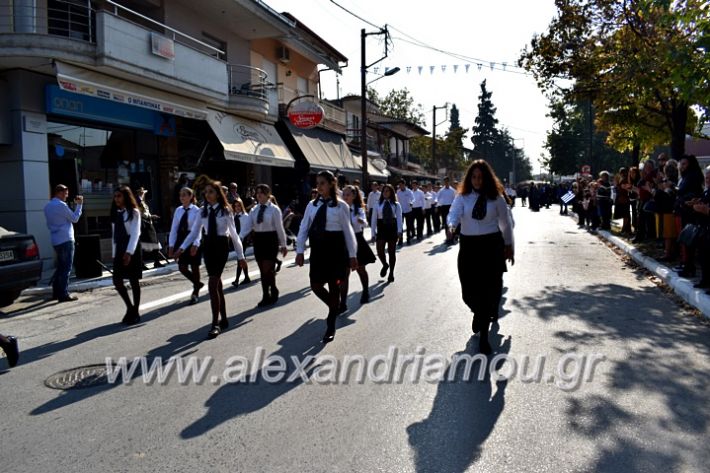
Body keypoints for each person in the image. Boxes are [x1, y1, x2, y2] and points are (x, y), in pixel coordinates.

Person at [447, 160, 514, 355]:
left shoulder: (496, 199)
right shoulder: (462, 197)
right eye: (474, 177)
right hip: (469, 247)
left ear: (486, 178)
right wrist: (451, 226)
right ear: (470, 178)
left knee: (488, 291)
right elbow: (453, 214)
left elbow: (505, 224)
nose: (477, 180)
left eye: (480, 177)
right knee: (468, 292)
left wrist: (508, 245)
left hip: (491, 246)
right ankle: (477, 311)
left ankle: (484, 337)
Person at [176, 180, 247, 339]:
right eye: (206, 192)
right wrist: (181, 248)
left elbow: (234, 235)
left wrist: (241, 257)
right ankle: (224, 318)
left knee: (213, 283)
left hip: (221, 247)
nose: (208, 195)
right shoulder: (202, 211)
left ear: (218, 194)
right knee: (218, 286)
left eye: (211, 192)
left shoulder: (226, 210)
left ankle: (215, 323)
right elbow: (194, 232)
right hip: (208, 247)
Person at [296, 170, 358, 344]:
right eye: (317, 183)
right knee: (315, 285)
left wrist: (352, 255)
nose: (319, 186)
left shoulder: (341, 206)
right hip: (318, 250)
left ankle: (331, 323)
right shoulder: (312, 205)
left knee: (334, 286)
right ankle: (335, 305)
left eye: (322, 183)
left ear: (331, 183)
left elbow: (348, 232)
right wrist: (300, 251)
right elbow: (303, 228)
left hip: (336, 250)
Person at [249, 184, 288, 307]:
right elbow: (247, 225)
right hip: (258, 240)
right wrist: (239, 237)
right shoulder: (253, 210)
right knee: (263, 270)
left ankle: (270, 293)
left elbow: (280, 228)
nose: (259, 195)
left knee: (266, 268)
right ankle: (268, 292)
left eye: (261, 192)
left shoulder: (274, 209)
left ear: (267, 194)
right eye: (257, 192)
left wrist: (283, 244)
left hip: (270, 239)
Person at [44, 184, 82, 302]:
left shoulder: (48, 206)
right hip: (65, 239)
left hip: (55, 239)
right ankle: (63, 294)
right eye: (65, 193)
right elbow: (75, 218)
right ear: (59, 192)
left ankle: (56, 292)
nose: (67, 196)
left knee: (60, 267)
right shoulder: (61, 205)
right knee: (66, 268)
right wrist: (79, 205)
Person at [110, 186, 142, 325]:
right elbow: (114, 235)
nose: (116, 199)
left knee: (134, 281)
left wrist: (129, 252)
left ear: (126, 197)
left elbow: (135, 233)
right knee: (117, 280)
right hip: (119, 248)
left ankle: (136, 311)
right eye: (115, 196)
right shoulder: (115, 213)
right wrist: (113, 253)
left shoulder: (134, 212)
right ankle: (130, 307)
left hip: (131, 248)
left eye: (119, 196)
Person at [341, 185, 376, 307]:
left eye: (348, 195)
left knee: (361, 269)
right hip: (344, 241)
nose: (345, 197)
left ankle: (365, 291)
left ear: (354, 196)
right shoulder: (339, 209)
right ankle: (343, 302)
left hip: (357, 240)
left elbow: (365, 222)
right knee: (344, 274)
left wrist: (361, 221)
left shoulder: (358, 209)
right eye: (344, 194)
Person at [168, 187, 204, 305]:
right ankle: (197, 283)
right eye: (180, 195)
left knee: (194, 267)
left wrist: (196, 244)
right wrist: (171, 245)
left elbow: (198, 229)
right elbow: (174, 229)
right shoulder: (178, 210)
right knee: (182, 267)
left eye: (184, 195)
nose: (182, 197)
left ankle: (195, 293)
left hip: (193, 239)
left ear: (190, 196)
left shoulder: (197, 210)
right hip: (181, 239)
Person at [371, 183, 403, 283]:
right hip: (381, 228)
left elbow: (399, 219)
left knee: (391, 252)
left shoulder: (396, 204)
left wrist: (399, 231)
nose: (385, 193)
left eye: (387, 191)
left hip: (392, 228)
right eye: (384, 191)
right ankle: (385, 264)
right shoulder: (377, 204)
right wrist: (373, 233)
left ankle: (391, 273)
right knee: (380, 251)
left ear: (391, 192)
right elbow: (373, 220)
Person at [135, 187, 164, 269]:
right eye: (142, 192)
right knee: (146, 244)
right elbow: (141, 214)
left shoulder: (141, 201)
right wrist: (149, 217)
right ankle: (144, 263)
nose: (143, 194)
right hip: (145, 225)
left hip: (148, 224)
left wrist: (151, 216)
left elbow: (145, 213)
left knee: (153, 243)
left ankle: (156, 261)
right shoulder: (138, 201)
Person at [231, 198, 252, 288]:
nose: (237, 208)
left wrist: (241, 236)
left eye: (239, 206)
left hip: (243, 239)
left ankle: (236, 280)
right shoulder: (234, 216)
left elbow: (247, 229)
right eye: (235, 206)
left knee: (240, 258)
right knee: (242, 258)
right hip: (235, 239)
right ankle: (246, 277)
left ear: (241, 206)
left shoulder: (245, 216)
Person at [436, 177, 456, 243]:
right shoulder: (441, 190)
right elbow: (437, 198)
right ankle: (447, 238)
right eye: (445, 181)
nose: (446, 183)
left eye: (447, 181)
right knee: (446, 223)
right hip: (444, 208)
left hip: (451, 207)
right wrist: (436, 204)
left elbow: (455, 199)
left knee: (452, 223)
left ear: (449, 182)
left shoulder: (453, 190)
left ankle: (452, 237)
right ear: (444, 182)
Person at [396, 180, 415, 245]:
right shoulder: (398, 192)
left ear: (404, 185)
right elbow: (397, 200)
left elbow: (413, 198)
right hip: (401, 211)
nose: (400, 186)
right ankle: (400, 240)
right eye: (399, 185)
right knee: (400, 226)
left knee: (408, 225)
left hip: (408, 210)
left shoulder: (409, 191)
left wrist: (411, 202)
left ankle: (408, 239)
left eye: (401, 185)